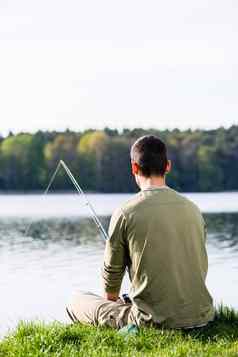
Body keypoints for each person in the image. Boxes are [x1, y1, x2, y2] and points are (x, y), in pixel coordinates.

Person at [66, 135, 215, 329]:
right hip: (202, 316)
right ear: (167, 166)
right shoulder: (194, 210)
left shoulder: (125, 212)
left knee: (76, 300)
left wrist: (116, 301)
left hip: (152, 322)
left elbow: (111, 289)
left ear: (134, 168)